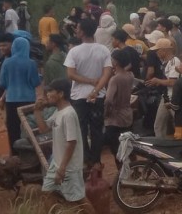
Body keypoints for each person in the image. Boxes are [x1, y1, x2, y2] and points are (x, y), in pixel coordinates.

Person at [64, 17, 113, 167]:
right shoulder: (104, 50)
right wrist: (95, 90)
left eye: (78, 28)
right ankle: (96, 160)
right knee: (97, 129)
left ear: (83, 32)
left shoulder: (74, 51)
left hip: (79, 97)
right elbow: (107, 74)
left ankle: (85, 160)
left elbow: (71, 75)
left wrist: (89, 82)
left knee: (81, 130)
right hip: (98, 96)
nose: (76, 30)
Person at [35, 79, 89, 210]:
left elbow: (71, 143)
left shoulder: (68, 114)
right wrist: (37, 110)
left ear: (60, 94)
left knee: (79, 200)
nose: (47, 94)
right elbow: (43, 129)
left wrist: (63, 168)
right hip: (57, 163)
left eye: (51, 91)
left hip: (68, 166)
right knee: (47, 192)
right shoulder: (58, 112)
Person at [0, 37, 42, 152]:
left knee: (13, 128)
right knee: (29, 127)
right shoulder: (31, 63)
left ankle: (15, 154)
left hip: (11, 100)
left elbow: (2, 83)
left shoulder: (6, 62)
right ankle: (30, 152)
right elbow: (35, 82)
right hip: (28, 100)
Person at [104, 49, 134, 167]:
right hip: (127, 114)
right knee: (128, 147)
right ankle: (134, 170)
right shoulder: (130, 75)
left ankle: (122, 176)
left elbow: (109, 100)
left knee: (116, 149)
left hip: (115, 118)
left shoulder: (115, 79)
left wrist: (106, 113)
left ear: (115, 62)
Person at [145, 38, 181, 138]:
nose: (156, 52)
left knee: (179, 126)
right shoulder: (166, 63)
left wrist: (157, 81)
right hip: (166, 97)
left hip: (174, 98)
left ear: (164, 50)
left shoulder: (174, 61)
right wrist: (157, 82)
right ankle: (161, 150)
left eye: (158, 50)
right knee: (158, 126)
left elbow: (173, 82)